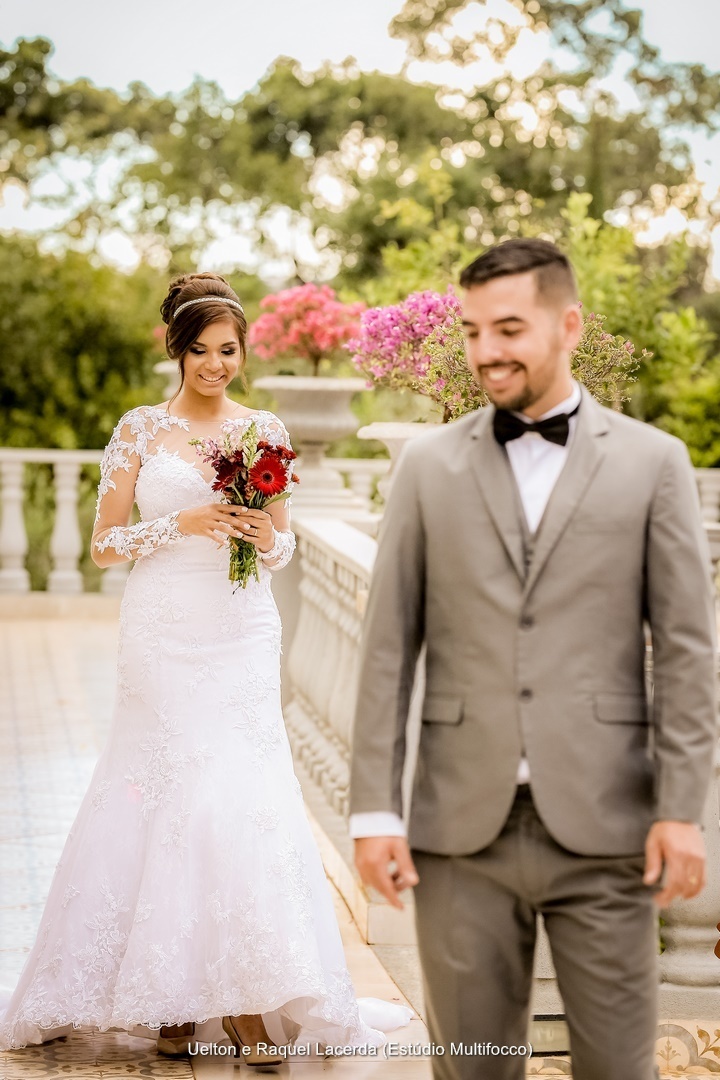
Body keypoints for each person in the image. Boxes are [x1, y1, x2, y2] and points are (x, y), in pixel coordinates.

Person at [0, 272, 411, 1061]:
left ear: (243, 352)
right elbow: (103, 545)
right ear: (175, 349)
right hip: (162, 630)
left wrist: (262, 536)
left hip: (241, 630)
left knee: (238, 796)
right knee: (169, 790)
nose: (216, 365)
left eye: (229, 350)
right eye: (201, 350)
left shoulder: (264, 428)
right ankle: (170, 1003)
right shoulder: (140, 430)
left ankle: (249, 998)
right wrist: (180, 522)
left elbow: (285, 544)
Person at [348, 239, 718, 1080]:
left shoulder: (654, 462)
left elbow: (691, 652)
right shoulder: (427, 468)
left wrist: (682, 806)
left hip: (609, 829)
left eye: (509, 328)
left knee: (619, 1069)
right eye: (474, 331)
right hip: (457, 834)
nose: (487, 352)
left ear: (569, 325)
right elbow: (386, 648)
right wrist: (375, 810)